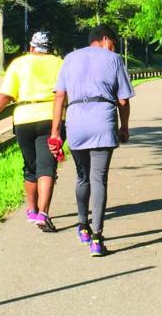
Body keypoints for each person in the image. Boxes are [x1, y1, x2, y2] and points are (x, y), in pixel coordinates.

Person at [49, 24, 134, 256]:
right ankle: (97, 238)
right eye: (113, 43)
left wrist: (55, 132)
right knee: (99, 179)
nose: (112, 48)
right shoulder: (114, 59)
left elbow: (59, 96)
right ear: (105, 39)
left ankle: (82, 226)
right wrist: (124, 127)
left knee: (82, 176)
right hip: (102, 121)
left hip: (76, 121)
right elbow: (123, 100)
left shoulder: (69, 58)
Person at [0, 31, 63, 232]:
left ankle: (31, 210)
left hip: (23, 118)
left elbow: (4, 96)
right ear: (51, 48)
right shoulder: (59, 63)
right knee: (46, 167)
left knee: (30, 167)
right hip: (50, 116)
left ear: (31, 47)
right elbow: (66, 93)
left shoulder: (19, 64)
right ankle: (43, 213)